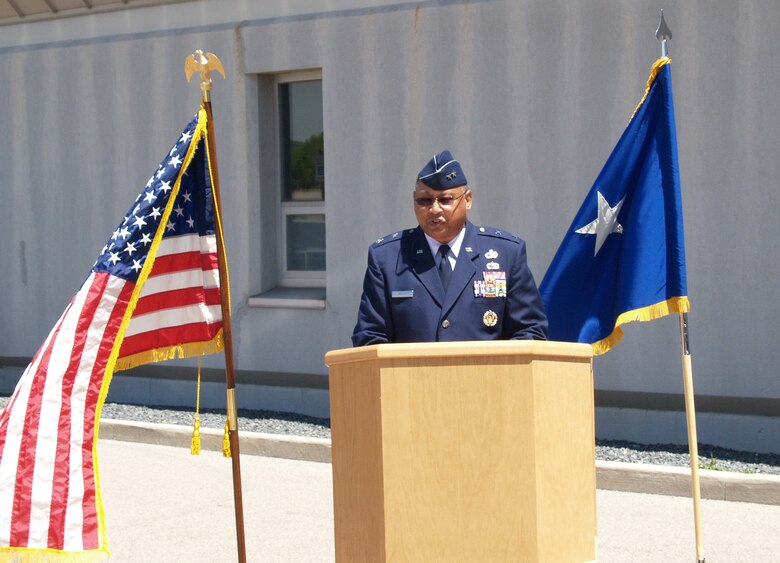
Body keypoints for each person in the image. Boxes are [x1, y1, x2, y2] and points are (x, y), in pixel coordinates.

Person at [352, 150, 548, 346]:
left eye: (445, 200)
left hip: (485, 376)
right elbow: (369, 337)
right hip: (413, 376)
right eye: (424, 201)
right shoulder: (387, 258)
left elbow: (530, 331)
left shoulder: (506, 253)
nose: (434, 209)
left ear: (468, 200)